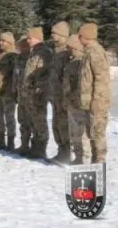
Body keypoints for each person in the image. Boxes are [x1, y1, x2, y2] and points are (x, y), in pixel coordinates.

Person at [77, 22, 112, 163]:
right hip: (89, 103)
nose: (78, 38)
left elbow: (101, 80)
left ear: (87, 36)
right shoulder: (88, 52)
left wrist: (97, 102)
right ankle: (94, 161)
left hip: (97, 103)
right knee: (92, 133)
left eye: (80, 35)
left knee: (97, 134)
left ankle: (99, 162)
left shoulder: (96, 53)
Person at [23, 27, 53, 159]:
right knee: (33, 120)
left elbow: (44, 74)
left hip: (39, 93)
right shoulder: (33, 52)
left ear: (38, 38)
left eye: (30, 38)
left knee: (40, 121)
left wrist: (37, 89)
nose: (27, 40)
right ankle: (34, 147)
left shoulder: (44, 52)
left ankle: (41, 149)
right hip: (30, 93)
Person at [63, 34, 91, 164]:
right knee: (74, 132)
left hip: (79, 103)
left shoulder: (81, 62)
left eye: (70, 47)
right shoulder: (71, 61)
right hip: (71, 103)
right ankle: (78, 157)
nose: (68, 49)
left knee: (81, 132)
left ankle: (84, 158)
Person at [0, 32, 18, 150]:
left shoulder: (13, 55)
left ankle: (10, 142)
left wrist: (10, 90)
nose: (1, 43)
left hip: (7, 93)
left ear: (10, 42)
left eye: (4, 41)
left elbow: (14, 76)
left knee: (9, 118)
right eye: (0, 40)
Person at [48, 21, 71, 163]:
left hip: (63, 96)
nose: (52, 36)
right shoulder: (54, 51)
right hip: (54, 95)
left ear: (63, 35)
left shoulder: (67, 52)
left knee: (64, 125)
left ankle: (67, 152)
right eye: (52, 33)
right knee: (56, 125)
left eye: (55, 33)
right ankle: (60, 150)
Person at [13, 36, 32, 155]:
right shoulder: (18, 58)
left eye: (22, 46)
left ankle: (35, 147)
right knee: (22, 120)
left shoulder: (32, 58)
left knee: (32, 121)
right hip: (20, 94)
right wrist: (14, 90)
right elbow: (15, 76)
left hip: (30, 96)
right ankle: (24, 144)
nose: (20, 48)